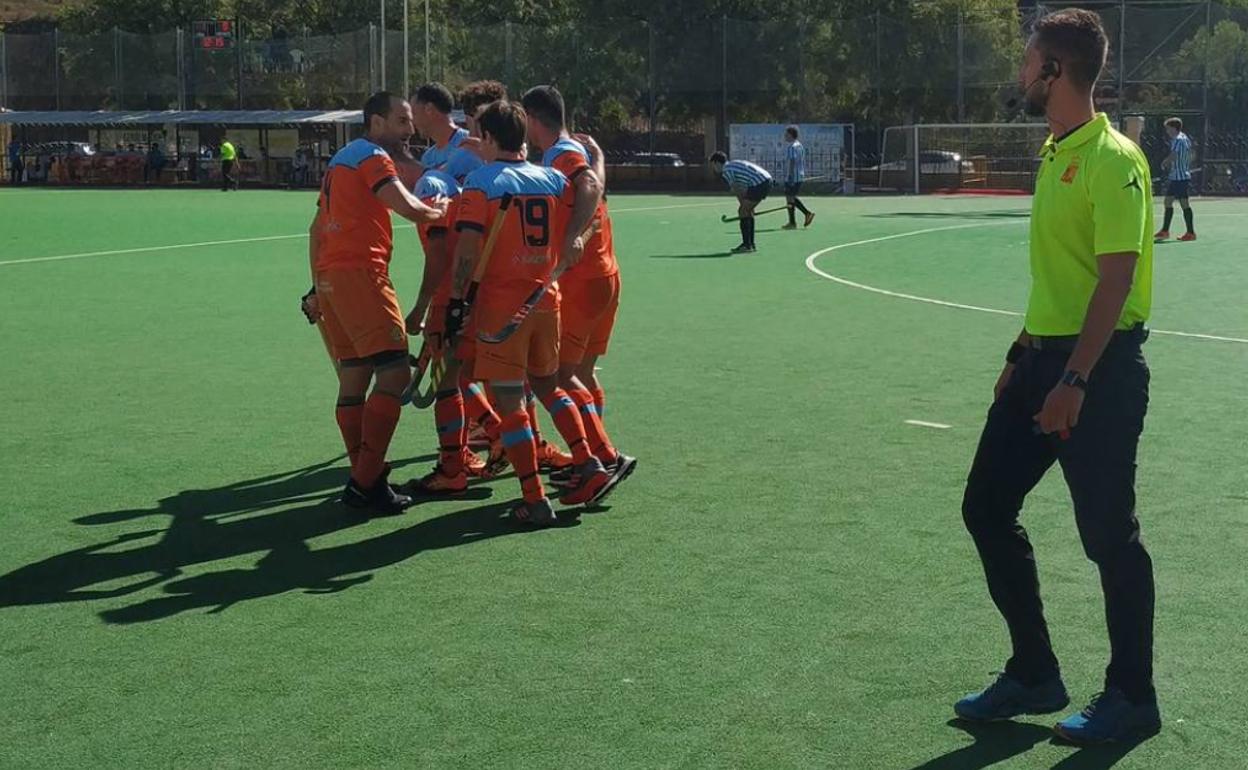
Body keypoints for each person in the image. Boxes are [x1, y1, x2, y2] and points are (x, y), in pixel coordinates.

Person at [954, 9, 1160, 745]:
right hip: (1043, 358)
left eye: (1027, 58)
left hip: (1096, 371)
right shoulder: (1054, 150)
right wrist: (1021, 357)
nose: (1019, 71)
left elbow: (1113, 281)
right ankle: (1036, 673)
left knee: (1109, 537)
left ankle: (1133, 695)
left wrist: (1073, 380)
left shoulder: (1113, 157)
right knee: (985, 506)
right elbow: (1059, 279)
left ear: (1054, 71)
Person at [446, 99, 612, 526]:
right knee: (548, 386)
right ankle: (589, 464)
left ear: (487, 137)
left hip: (504, 306)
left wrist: (458, 299)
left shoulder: (482, 183)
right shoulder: (553, 180)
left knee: (509, 398)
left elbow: (467, 250)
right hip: (546, 298)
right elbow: (590, 196)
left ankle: (534, 498)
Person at [299, 91, 449, 515]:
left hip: (332, 278)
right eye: (402, 121)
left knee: (355, 376)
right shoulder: (372, 158)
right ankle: (365, 483)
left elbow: (316, 229)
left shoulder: (341, 159)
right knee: (395, 372)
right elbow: (408, 207)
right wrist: (441, 211)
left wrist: (316, 287)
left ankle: (367, 475)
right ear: (377, 122)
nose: (410, 129)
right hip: (361, 275)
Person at [521, 84, 637, 490]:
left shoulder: (560, 154)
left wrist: (571, 236)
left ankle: (602, 458)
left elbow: (588, 186)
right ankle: (589, 452)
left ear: (534, 118)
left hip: (581, 279)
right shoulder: (581, 149)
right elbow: (595, 181)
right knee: (582, 373)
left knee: (556, 377)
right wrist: (601, 157)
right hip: (605, 274)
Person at [707, 152, 773, 253]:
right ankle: (750, 244)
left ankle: (746, 245)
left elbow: (737, 189)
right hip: (765, 180)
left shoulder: (726, 170)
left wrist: (743, 206)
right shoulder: (732, 164)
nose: (713, 169)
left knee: (743, 211)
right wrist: (746, 207)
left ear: (717, 163)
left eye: (713, 165)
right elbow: (742, 189)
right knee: (746, 211)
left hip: (759, 183)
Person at [413, 82, 470, 172]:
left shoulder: (469, 144)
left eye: (414, 113)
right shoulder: (427, 158)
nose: (413, 122)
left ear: (429, 109)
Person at [1155, 117, 1196, 242]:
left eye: (1168, 128)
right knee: (1168, 202)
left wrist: (1164, 163)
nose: (1167, 131)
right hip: (1178, 176)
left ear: (1174, 128)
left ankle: (1190, 232)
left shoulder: (1178, 140)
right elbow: (1190, 155)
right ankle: (1165, 231)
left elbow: (1174, 155)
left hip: (1180, 177)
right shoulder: (1185, 138)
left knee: (1184, 204)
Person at [781, 125, 815, 230]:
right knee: (790, 198)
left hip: (793, 176)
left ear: (791, 135)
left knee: (790, 198)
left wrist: (790, 176)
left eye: (786, 134)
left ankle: (805, 214)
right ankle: (792, 222)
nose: (785, 136)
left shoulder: (792, 147)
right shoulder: (800, 146)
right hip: (799, 175)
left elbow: (792, 161)